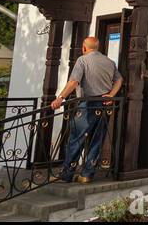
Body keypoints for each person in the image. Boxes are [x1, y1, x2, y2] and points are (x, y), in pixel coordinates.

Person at [51, 36, 122, 183]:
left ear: (84, 47)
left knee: (76, 138)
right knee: (97, 139)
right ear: (97, 47)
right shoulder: (109, 62)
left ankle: (67, 173)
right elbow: (119, 80)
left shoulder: (82, 60)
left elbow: (74, 81)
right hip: (104, 105)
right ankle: (87, 174)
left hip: (88, 103)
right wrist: (111, 95)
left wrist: (60, 98)